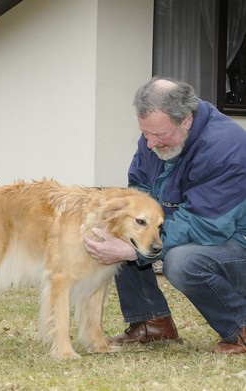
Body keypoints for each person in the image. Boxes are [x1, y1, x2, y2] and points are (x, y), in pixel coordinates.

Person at [84, 77, 246, 354]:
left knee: (182, 261)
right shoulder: (156, 136)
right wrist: (128, 229)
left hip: (234, 240)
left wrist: (135, 251)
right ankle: (151, 322)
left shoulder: (226, 147)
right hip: (199, 227)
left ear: (185, 120)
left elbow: (206, 225)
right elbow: (139, 192)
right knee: (123, 229)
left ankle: (240, 328)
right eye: (145, 133)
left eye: (158, 135)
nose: (149, 144)